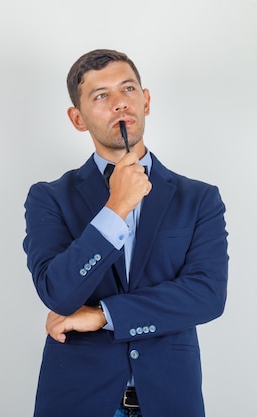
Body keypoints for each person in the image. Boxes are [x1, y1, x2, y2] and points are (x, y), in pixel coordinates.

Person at [23, 49, 229, 417]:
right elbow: (57, 291)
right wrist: (116, 208)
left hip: (170, 401)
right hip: (76, 401)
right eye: (101, 96)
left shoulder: (199, 198)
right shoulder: (50, 197)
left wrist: (104, 314)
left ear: (146, 100)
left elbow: (207, 295)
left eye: (128, 89)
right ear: (77, 118)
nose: (120, 104)